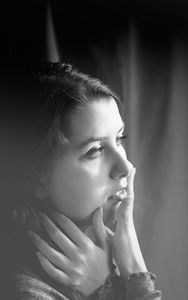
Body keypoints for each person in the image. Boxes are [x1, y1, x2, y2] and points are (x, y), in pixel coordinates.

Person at [11, 62, 162, 299]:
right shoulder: (25, 291)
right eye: (95, 151)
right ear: (37, 176)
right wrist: (116, 284)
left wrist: (125, 271)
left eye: (119, 139)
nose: (126, 167)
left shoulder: (108, 251)